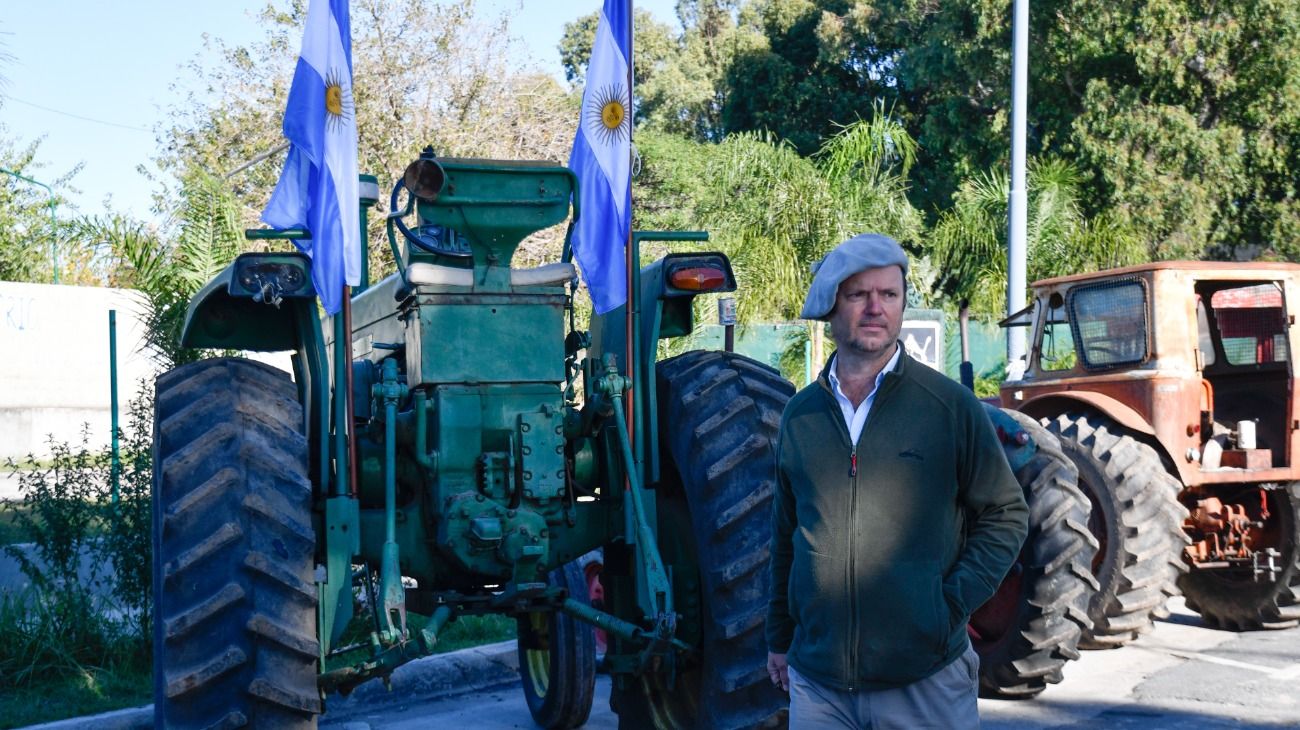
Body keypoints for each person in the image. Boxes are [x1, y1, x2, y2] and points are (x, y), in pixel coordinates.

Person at [765, 233, 1029, 729]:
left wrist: (946, 606)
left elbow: (1006, 514)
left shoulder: (950, 408)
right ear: (831, 306)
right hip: (818, 684)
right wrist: (779, 639)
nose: (875, 308)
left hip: (923, 679)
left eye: (888, 295)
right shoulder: (801, 416)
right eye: (858, 295)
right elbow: (785, 535)